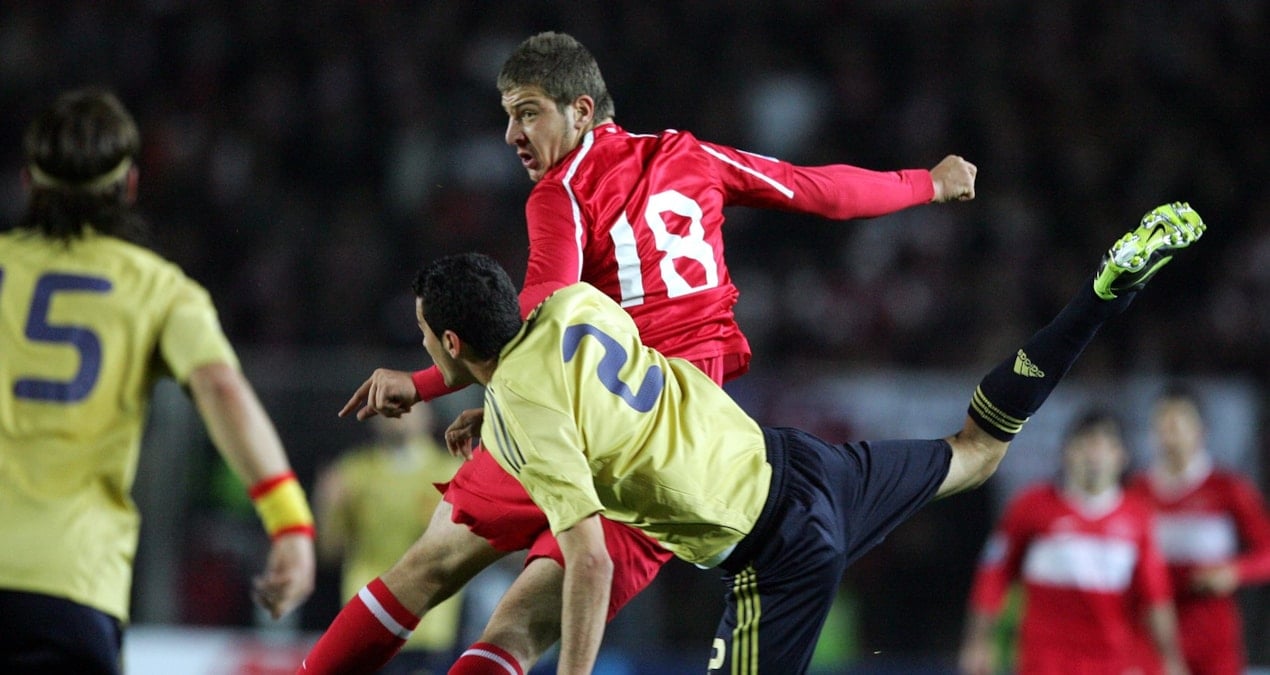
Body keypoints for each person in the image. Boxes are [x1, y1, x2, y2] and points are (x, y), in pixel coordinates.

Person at [302, 31, 978, 674]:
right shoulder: (694, 157)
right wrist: (927, 182)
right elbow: (817, 190)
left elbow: (530, 311)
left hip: (598, 409)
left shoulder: (563, 192)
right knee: (523, 627)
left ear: (581, 110)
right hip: (681, 442)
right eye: (508, 116)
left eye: (528, 113)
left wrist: (427, 383)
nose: (512, 135)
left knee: (427, 569)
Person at [378, 200, 1199, 673]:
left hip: (775, 556)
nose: (420, 346)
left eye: (422, 335)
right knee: (978, 451)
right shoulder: (572, 306)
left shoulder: (523, 415)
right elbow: (571, 386)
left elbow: (589, 560)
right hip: (805, 462)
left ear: (451, 342)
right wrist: (501, 412)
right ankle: (1101, 296)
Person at [0, 88, 316, 674]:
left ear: (28, 183)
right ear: (129, 186)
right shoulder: (159, 289)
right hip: (70, 582)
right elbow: (222, 389)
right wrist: (289, 522)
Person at [958, 410, 1187, 675]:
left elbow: (1155, 597)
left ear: (1121, 456)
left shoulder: (1137, 518)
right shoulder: (1031, 507)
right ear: (1066, 452)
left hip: (1112, 664)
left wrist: (1171, 660)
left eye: (1105, 446)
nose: (1094, 456)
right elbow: (994, 575)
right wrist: (977, 642)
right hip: (1045, 664)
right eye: (1085, 444)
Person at [1125, 384, 1270, 675]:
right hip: (1151, 637)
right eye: (1164, 425)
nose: (1171, 434)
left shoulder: (1228, 489)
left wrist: (1234, 572)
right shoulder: (1136, 492)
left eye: (1179, 424)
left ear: (1201, 431)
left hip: (1212, 639)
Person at [313, 409, 466, 674]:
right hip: (366, 616)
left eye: (408, 405)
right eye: (387, 405)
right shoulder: (352, 473)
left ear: (427, 415)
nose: (397, 414)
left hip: (427, 621)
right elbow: (330, 551)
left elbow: (463, 550)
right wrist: (326, 506)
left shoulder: (450, 472)